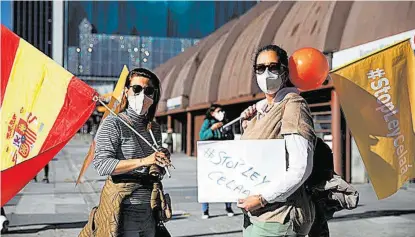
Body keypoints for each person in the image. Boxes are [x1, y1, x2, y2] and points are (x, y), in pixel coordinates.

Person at [79, 68, 172, 237]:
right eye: (137, 89)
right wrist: (144, 160)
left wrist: (160, 162)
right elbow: (102, 165)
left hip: (149, 209)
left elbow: (155, 170)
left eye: (148, 90)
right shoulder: (113, 123)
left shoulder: (154, 128)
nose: (142, 95)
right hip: (123, 208)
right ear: (126, 91)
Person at [237, 45, 316, 237]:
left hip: (279, 216)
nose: (266, 73)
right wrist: (248, 125)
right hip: (255, 214)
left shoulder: (293, 105)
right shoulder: (265, 110)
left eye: (273, 67)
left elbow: (300, 168)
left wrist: (263, 199)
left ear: (284, 71)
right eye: (260, 68)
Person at [199, 104, 235, 219]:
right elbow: (202, 136)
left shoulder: (226, 122)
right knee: (207, 182)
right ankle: (205, 210)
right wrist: (212, 129)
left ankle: (228, 207)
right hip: (210, 157)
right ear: (212, 112)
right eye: (219, 111)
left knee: (226, 182)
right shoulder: (208, 122)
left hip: (224, 157)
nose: (222, 113)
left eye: (222, 111)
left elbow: (231, 137)